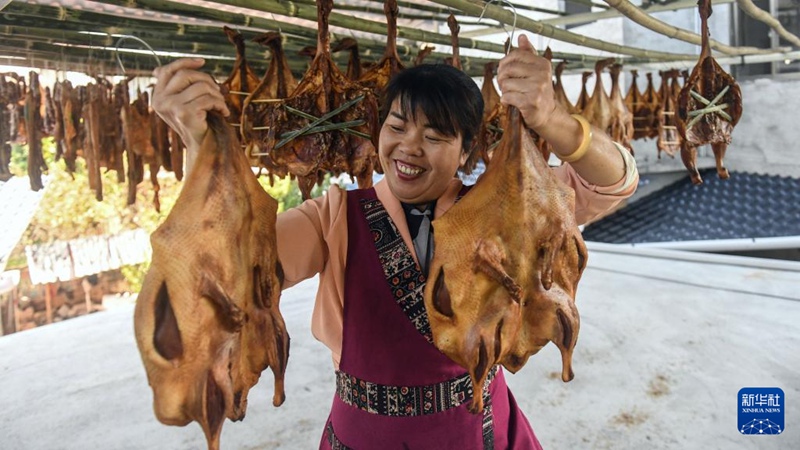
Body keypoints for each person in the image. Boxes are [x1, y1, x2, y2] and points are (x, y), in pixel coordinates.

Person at [152, 34, 637, 450]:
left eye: (435, 135)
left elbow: (612, 183)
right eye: (398, 127)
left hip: (479, 435)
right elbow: (234, 269)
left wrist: (552, 118)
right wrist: (201, 146)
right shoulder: (334, 216)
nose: (409, 146)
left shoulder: (510, 212)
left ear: (468, 149)